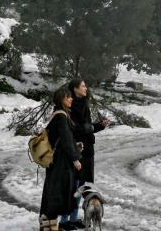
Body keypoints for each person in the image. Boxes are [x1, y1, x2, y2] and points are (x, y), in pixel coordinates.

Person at [60, 79, 111, 230]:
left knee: (82, 186)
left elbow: (87, 128)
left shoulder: (84, 103)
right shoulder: (70, 105)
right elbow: (75, 129)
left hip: (88, 150)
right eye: (83, 86)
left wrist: (100, 125)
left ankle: (74, 218)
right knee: (72, 186)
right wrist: (89, 127)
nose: (86, 87)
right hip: (77, 150)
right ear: (75, 89)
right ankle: (64, 221)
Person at [40, 86, 82, 231]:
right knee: (57, 195)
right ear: (61, 99)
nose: (71, 99)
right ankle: (49, 226)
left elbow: (65, 139)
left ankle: (48, 226)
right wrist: (75, 159)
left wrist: (75, 146)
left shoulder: (60, 115)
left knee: (53, 193)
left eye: (71, 96)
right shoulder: (61, 116)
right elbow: (65, 140)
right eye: (68, 97)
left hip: (57, 161)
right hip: (60, 164)